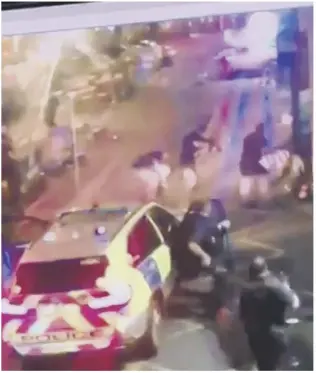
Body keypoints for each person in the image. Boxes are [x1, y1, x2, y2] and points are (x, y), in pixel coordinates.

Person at [239, 256, 300, 370]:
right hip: (274, 335)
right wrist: (287, 286)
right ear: (265, 269)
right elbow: (294, 303)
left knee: (264, 366)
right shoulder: (275, 285)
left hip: (254, 337)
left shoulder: (246, 288)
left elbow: (242, 316)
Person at [239, 123, 269, 208]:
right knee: (261, 184)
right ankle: (261, 203)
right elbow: (265, 152)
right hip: (257, 165)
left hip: (247, 165)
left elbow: (245, 151)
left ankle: (246, 202)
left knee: (247, 184)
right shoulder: (262, 139)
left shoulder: (247, 138)